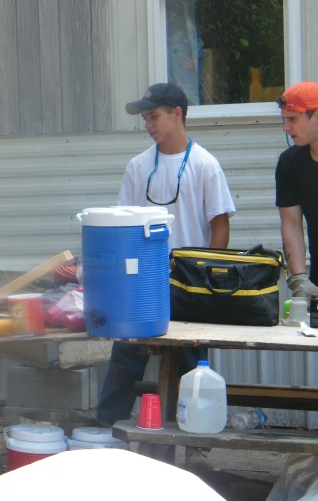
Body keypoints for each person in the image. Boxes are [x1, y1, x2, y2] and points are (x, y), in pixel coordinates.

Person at [96, 83, 236, 470]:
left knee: (192, 363)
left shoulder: (205, 164)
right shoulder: (139, 166)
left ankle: (193, 449)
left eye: (153, 116)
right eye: (144, 119)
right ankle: (106, 438)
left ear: (177, 113)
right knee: (126, 356)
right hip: (143, 283)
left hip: (190, 284)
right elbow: (123, 224)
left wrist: (209, 278)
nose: (148, 125)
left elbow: (219, 226)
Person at [275, 81, 318, 300]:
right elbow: (291, 224)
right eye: (284, 120)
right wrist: (300, 278)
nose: (286, 127)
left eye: (293, 119)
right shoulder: (289, 163)